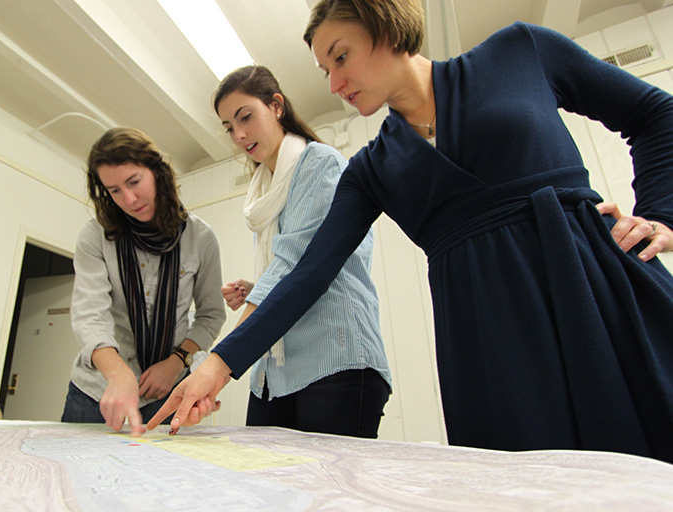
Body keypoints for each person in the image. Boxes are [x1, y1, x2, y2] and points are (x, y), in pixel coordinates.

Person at [149, 0, 673, 464]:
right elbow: (308, 273)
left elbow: (655, 113)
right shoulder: (371, 169)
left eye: (340, 56)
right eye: (324, 68)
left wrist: (661, 214)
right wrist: (218, 366)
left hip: (589, 285)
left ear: (387, 24)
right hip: (486, 338)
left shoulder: (520, 50)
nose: (333, 83)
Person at [212, 65, 392, 438]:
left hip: (333, 360)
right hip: (276, 370)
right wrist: (256, 285)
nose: (239, 134)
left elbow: (297, 265)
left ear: (276, 106)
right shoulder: (265, 189)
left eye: (245, 117)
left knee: (335, 492)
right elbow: (284, 265)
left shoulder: (319, 163)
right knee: (270, 487)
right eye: (230, 127)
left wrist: (216, 364)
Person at [61, 127, 226, 434]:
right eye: (114, 190)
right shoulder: (95, 235)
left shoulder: (201, 239)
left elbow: (211, 315)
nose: (129, 198)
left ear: (156, 172)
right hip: (98, 390)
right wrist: (118, 372)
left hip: (166, 393)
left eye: (134, 182)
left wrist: (177, 361)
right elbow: (90, 315)